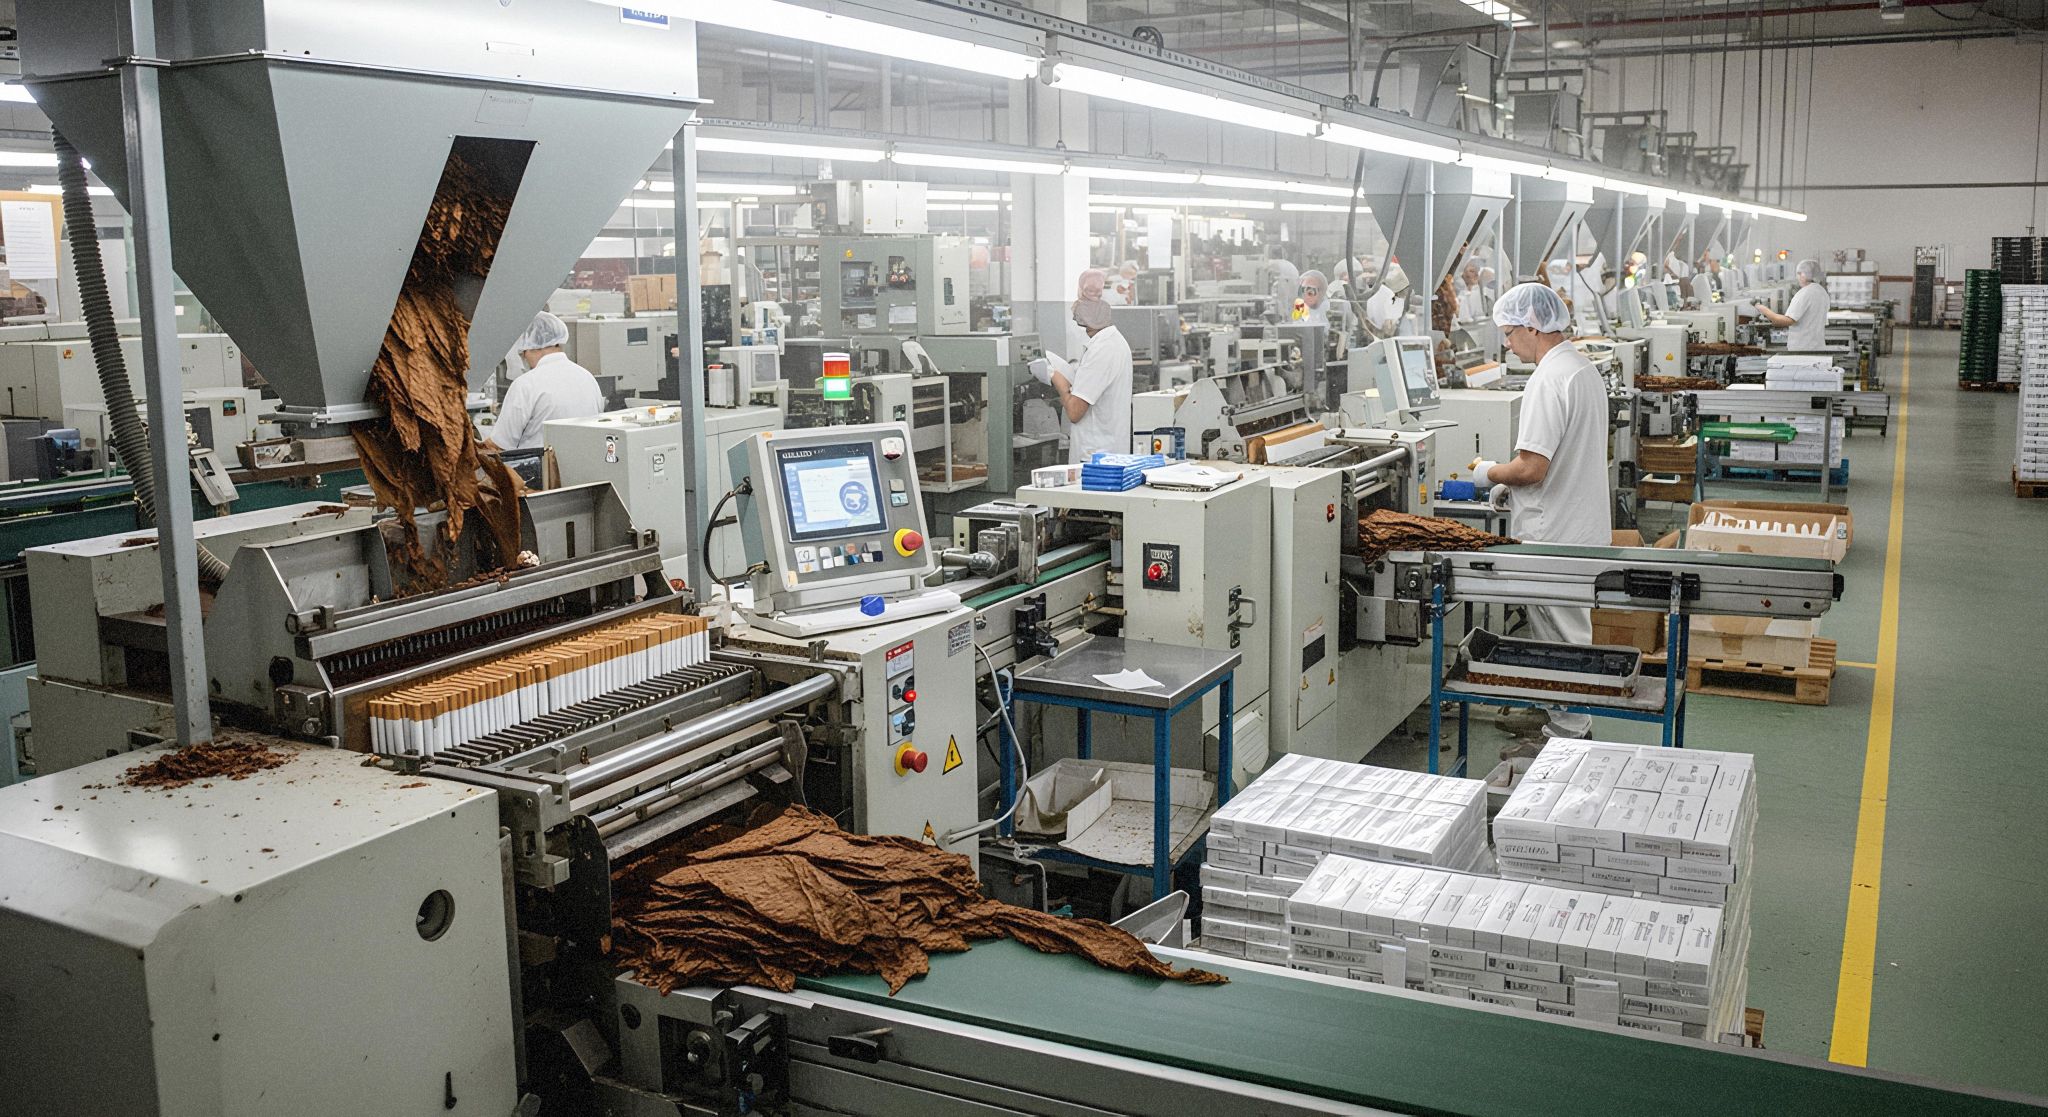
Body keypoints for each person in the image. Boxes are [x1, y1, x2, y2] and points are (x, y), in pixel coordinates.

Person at [1469, 283, 1613, 740]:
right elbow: (1565, 461)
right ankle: (1560, 711)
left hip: (1555, 538)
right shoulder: (1581, 369)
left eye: (1509, 333)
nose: (1507, 344)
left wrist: (1487, 472)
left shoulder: (1548, 380)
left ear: (1533, 326)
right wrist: (1511, 495)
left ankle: (1571, 732)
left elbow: (1532, 468)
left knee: (1562, 638)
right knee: (1566, 630)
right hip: (1580, 526)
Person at [1031, 282, 1133, 464]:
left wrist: (1057, 379)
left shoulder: (1103, 349)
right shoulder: (1113, 342)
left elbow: (1075, 412)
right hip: (1107, 449)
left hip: (1096, 456)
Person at [485, 311, 606, 452]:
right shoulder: (587, 377)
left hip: (540, 471)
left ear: (527, 345)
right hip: (582, 468)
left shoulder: (526, 384)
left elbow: (499, 444)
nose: (523, 358)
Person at [1753, 258, 1832, 350]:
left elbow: (1785, 321)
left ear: (1803, 275)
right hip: (1817, 347)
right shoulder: (1822, 293)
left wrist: (1762, 308)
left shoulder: (1804, 293)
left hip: (1802, 349)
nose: (1797, 278)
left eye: (1798, 274)